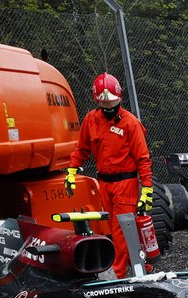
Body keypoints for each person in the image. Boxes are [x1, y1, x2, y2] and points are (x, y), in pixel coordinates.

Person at [65, 73, 153, 279]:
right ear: (97, 101)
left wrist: (147, 189)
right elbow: (82, 149)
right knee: (113, 229)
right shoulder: (91, 120)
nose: (108, 107)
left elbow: (143, 158)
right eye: (104, 104)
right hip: (104, 183)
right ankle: (141, 263)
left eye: (112, 103)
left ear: (119, 99)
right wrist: (71, 170)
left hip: (126, 184)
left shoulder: (130, 123)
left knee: (121, 229)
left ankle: (118, 274)